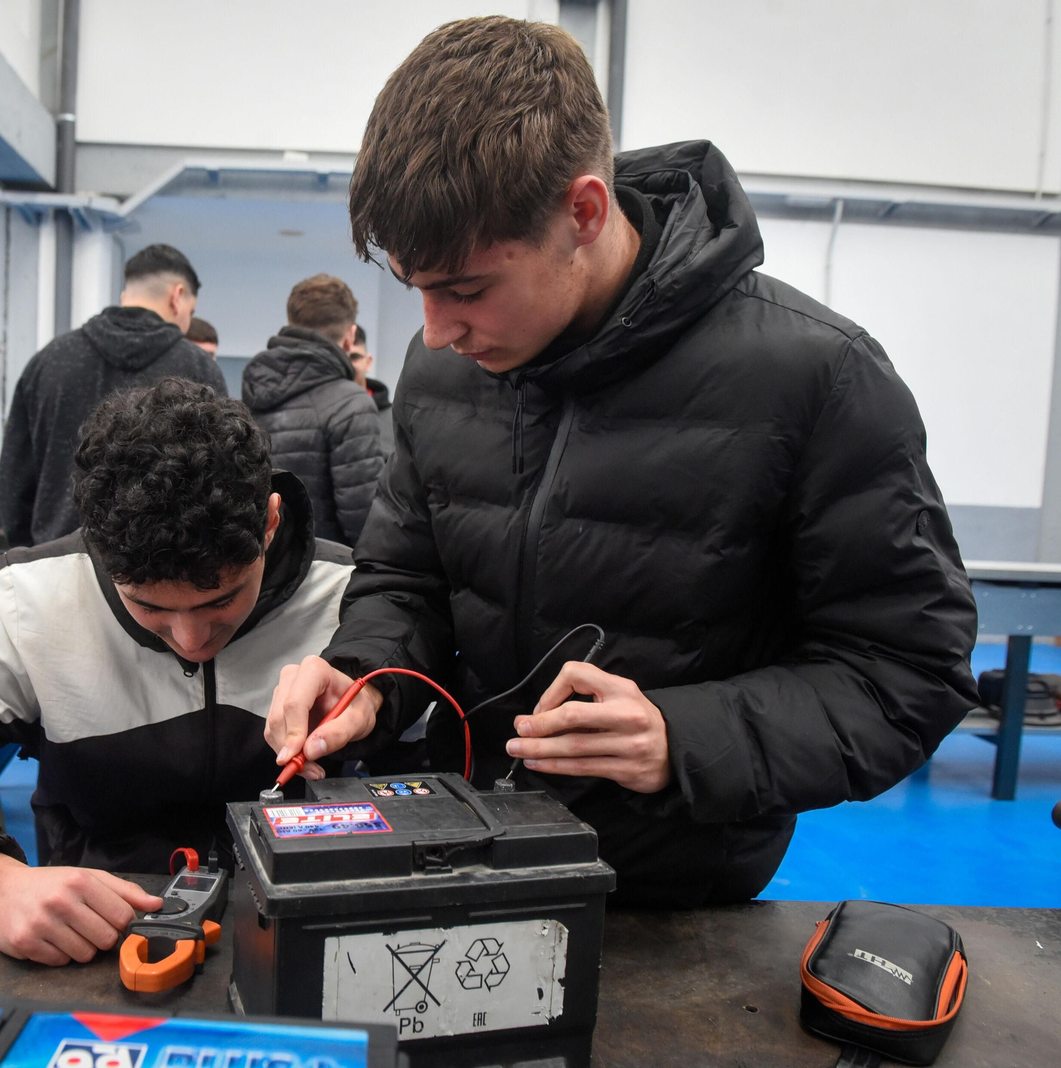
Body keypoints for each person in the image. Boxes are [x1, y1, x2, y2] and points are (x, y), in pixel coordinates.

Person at [265, 17, 980, 909]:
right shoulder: (445, 367)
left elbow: (909, 669)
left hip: (674, 897)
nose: (434, 331)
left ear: (585, 213)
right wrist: (368, 679)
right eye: (416, 286)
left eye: (466, 288)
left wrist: (683, 738)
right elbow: (406, 578)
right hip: (463, 855)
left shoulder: (816, 378)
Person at [0, 379, 355, 965]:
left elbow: (445, 790)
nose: (191, 641)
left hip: (315, 937)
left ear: (269, 521)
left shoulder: (352, 601)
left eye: (221, 599)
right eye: (150, 607)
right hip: (99, 944)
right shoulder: (31, 603)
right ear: (99, 551)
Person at [0, 243, 226, 548]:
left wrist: (29, 556)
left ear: (126, 296)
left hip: (57, 560)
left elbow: (15, 478)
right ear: (177, 296)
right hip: (165, 568)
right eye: (191, 312)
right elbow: (219, 481)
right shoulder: (199, 370)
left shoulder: (49, 362)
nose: (187, 322)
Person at [241, 274, 384, 546]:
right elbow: (365, 522)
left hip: (263, 568)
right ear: (350, 336)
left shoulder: (251, 391)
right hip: (329, 572)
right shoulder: (351, 403)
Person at [349, 324, 393, 454]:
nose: (347, 365)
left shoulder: (397, 422)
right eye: (341, 358)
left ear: (368, 362)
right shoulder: (314, 417)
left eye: (354, 357)